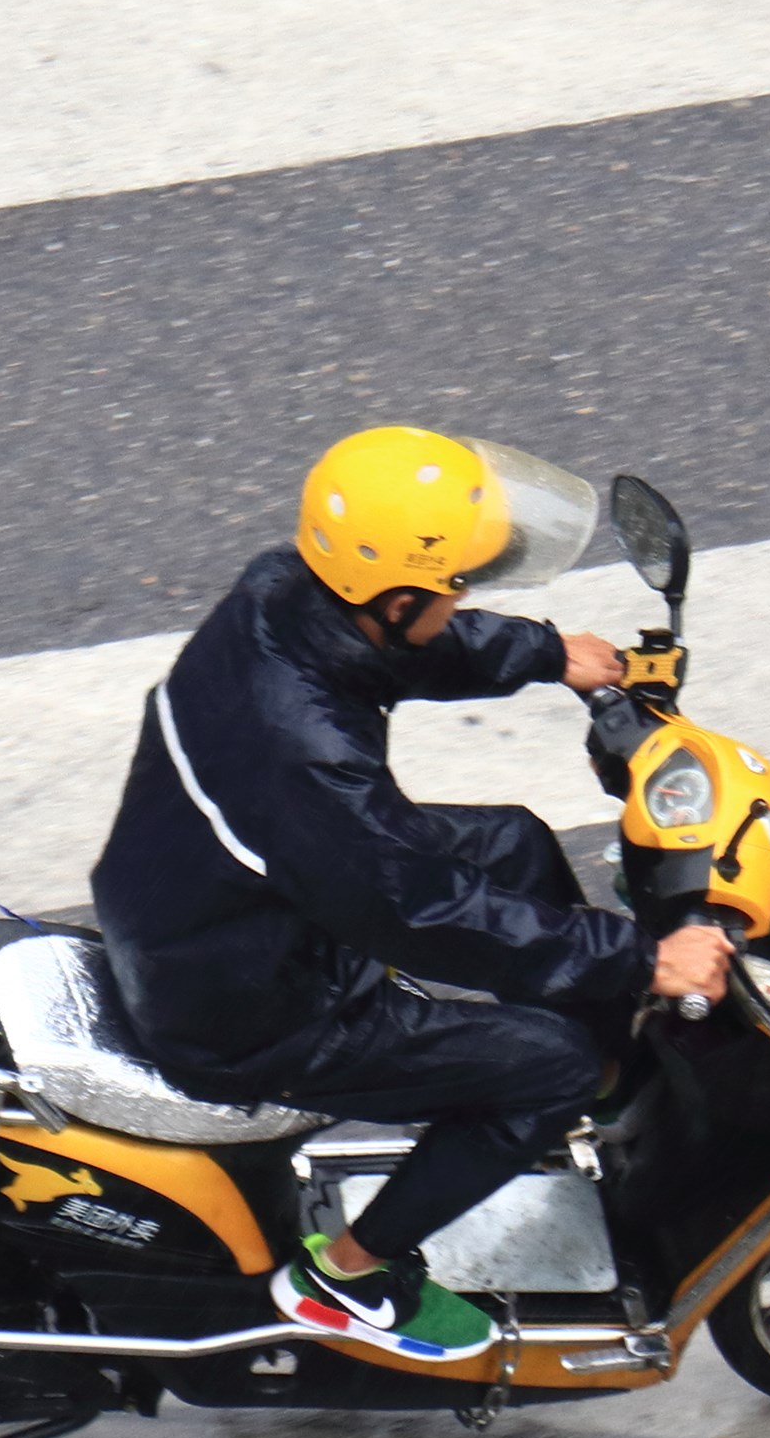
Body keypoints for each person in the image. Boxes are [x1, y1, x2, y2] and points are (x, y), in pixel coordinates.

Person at [90, 427, 734, 1361]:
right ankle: (347, 1276)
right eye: (456, 585)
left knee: (511, 842)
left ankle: (585, 1088)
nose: (462, 597)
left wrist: (546, 654)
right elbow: (425, 914)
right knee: (546, 1061)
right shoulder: (309, 758)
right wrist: (644, 955)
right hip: (248, 1006)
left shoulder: (282, 592)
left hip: (212, 898)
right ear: (394, 598)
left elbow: (402, 649)